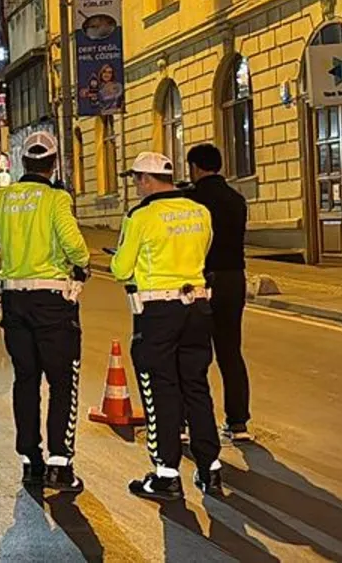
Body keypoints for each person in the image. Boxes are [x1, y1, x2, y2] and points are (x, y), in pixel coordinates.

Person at [0, 132, 90, 492]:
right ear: (52, 163)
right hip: (53, 301)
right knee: (62, 381)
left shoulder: (1, 198)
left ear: (23, 163)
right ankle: (60, 464)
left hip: (15, 301)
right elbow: (74, 245)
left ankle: (31, 460)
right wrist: (81, 264)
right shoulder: (56, 199)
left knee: (26, 379)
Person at [111, 152, 222, 501]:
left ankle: (166, 473)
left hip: (158, 312)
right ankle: (210, 468)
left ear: (145, 179)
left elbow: (121, 268)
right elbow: (204, 252)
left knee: (160, 389)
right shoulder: (200, 212)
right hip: (198, 306)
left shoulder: (141, 216)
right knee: (196, 385)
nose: (136, 186)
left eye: (136, 179)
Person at [185, 143, 252, 443]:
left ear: (196, 168)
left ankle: (190, 422)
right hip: (234, 279)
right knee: (230, 351)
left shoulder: (192, 201)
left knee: (194, 353)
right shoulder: (237, 200)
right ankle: (238, 423)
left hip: (202, 280)